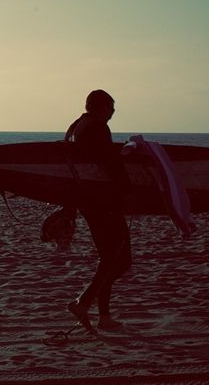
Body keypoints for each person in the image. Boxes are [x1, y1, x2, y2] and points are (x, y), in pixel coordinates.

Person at [64, 89, 130, 331]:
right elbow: (109, 163)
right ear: (102, 107)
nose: (112, 113)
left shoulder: (76, 127)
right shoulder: (98, 127)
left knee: (109, 259)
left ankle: (104, 316)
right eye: (111, 108)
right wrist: (127, 187)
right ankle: (84, 302)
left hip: (88, 201)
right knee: (121, 260)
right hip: (104, 201)